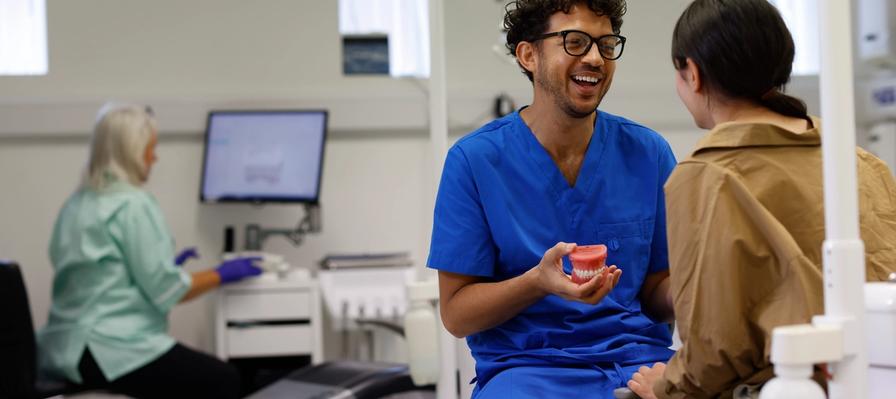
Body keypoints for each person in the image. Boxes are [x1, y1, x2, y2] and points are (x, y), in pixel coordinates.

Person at [626, 1, 896, 398]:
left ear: (693, 74)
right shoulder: (861, 162)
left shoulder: (707, 175)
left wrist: (664, 388)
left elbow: (714, 351)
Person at [427, 0, 677, 397]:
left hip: (636, 362)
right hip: (528, 370)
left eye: (606, 45)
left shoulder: (648, 153)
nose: (595, 58)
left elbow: (657, 290)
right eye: (575, 42)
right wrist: (537, 283)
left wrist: (699, 285)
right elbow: (456, 314)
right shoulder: (476, 161)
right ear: (529, 55)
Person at [37, 103, 263, 399]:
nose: (154, 158)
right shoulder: (134, 204)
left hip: (64, 351)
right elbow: (169, 290)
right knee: (224, 379)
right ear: (131, 151)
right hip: (112, 349)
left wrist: (159, 266)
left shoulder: (77, 203)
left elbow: (93, 275)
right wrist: (222, 274)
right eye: (149, 149)